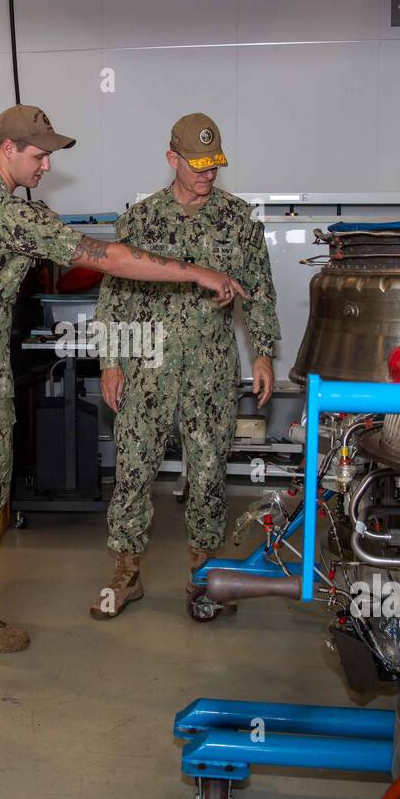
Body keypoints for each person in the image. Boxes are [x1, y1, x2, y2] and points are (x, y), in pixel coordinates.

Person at [0, 104, 248, 651]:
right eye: (39, 155)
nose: (47, 167)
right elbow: (112, 259)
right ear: (7, 148)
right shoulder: (10, 214)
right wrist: (198, 271)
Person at [90, 113, 280, 620]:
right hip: (146, 369)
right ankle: (126, 574)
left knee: (210, 474)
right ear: (172, 158)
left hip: (210, 370)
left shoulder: (238, 219)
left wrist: (262, 351)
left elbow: (258, 292)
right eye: (196, 164)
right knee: (131, 472)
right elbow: (114, 293)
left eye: (214, 164)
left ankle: (204, 576)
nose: (207, 174)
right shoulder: (141, 219)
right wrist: (110, 362)